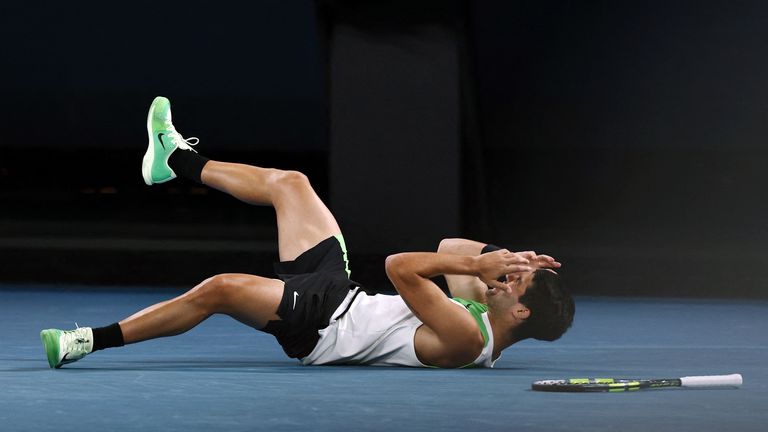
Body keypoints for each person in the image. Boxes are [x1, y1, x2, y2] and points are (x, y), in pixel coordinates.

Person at [40, 97, 575, 369]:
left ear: (521, 313)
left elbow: (400, 266)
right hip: (337, 292)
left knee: (220, 289)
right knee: (290, 184)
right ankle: (174, 161)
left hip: (321, 327)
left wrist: (480, 270)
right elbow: (451, 250)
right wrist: (500, 256)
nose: (503, 281)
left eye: (514, 285)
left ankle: (84, 341)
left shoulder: (466, 340)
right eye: (511, 276)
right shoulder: (485, 307)